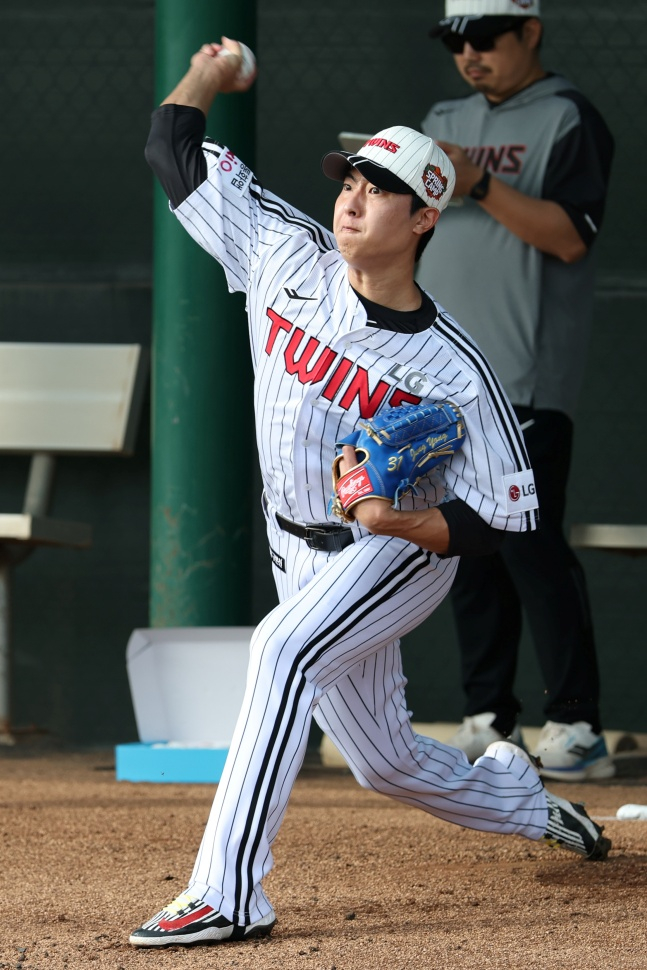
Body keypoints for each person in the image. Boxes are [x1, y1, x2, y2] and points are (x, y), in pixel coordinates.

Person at [131, 38, 610, 948]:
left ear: (426, 216)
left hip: (389, 551)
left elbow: (504, 515)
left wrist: (403, 519)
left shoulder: (455, 368)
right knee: (381, 762)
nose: (352, 193)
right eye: (349, 177)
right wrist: (210, 71)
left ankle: (230, 893)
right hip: (293, 544)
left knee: (279, 650)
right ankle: (520, 802)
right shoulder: (284, 253)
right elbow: (170, 147)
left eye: (380, 185)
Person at [417, 0, 615, 779]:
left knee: (530, 546)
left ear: (528, 33)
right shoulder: (441, 114)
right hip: (442, 374)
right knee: (465, 548)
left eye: (484, 40)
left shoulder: (567, 118)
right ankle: (486, 717)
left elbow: (569, 235)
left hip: (524, 376)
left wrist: (476, 182)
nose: (469, 55)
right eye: (455, 42)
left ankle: (575, 726)